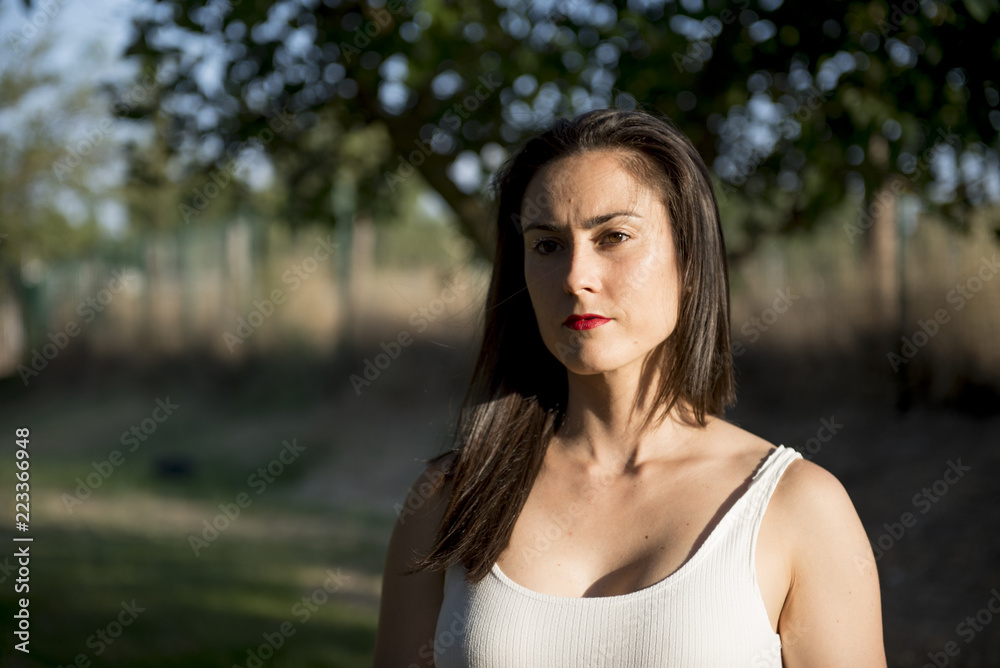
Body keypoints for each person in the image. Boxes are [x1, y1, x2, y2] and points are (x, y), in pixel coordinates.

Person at [374, 107, 886, 667]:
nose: (576, 277)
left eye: (614, 236)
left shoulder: (797, 507)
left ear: (690, 259)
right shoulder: (451, 497)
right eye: (547, 245)